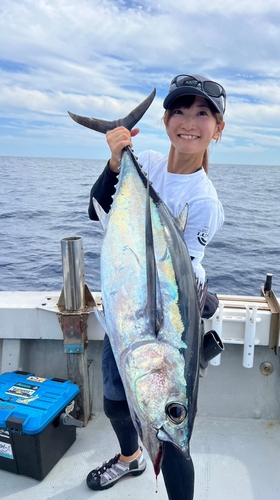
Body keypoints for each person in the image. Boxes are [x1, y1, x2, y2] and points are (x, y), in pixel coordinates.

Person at [86, 74, 226, 499]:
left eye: (203, 114)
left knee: (173, 437)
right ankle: (130, 460)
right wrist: (116, 162)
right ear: (165, 121)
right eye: (180, 111)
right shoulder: (141, 160)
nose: (189, 121)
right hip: (128, 316)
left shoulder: (203, 201)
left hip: (165, 323)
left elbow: (177, 270)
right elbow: (96, 213)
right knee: (114, 402)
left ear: (218, 130)